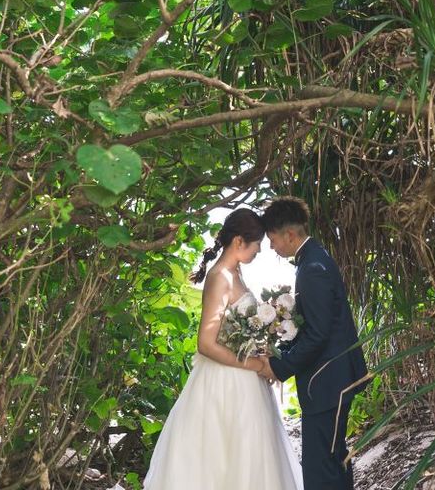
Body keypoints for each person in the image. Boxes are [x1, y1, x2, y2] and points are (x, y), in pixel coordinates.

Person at [142, 208, 302, 489]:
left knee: (251, 457)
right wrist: (254, 364)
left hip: (245, 379)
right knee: (222, 459)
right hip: (225, 382)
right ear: (239, 241)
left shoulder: (235, 271)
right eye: (257, 245)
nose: (259, 251)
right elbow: (205, 343)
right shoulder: (220, 277)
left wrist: (261, 347)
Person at [260, 197, 368, 490]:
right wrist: (281, 351)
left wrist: (279, 367)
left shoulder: (312, 268)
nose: (271, 247)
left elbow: (318, 335)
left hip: (328, 383)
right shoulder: (314, 259)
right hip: (332, 381)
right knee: (332, 461)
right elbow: (315, 327)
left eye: (272, 239)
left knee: (321, 470)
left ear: (289, 235)